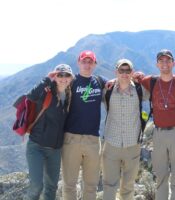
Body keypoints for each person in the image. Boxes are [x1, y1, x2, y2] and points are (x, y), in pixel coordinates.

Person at [136, 49, 175, 200]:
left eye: (168, 60)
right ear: (157, 64)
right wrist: (114, 81)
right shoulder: (151, 81)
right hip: (158, 133)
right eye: (161, 61)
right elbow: (132, 77)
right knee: (161, 174)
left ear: (174, 63)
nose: (165, 63)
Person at [24, 64, 73, 200]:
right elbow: (31, 96)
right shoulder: (47, 91)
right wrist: (46, 79)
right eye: (60, 75)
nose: (63, 78)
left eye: (67, 75)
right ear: (55, 76)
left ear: (71, 78)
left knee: (51, 187)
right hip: (37, 146)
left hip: (55, 150)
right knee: (36, 185)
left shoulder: (69, 95)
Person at [62, 50, 107, 200]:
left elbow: (121, 81)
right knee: (69, 185)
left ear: (95, 64)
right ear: (78, 63)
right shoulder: (71, 82)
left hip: (93, 141)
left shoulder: (100, 82)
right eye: (84, 61)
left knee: (91, 185)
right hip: (71, 138)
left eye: (90, 61)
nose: (87, 64)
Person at [101, 59, 149, 200]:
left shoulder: (140, 90)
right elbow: (87, 98)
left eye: (128, 71)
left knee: (128, 186)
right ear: (116, 72)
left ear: (132, 73)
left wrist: (143, 77)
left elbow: (157, 89)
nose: (124, 74)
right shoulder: (107, 91)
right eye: (121, 71)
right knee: (109, 184)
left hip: (132, 145)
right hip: (111, 144)